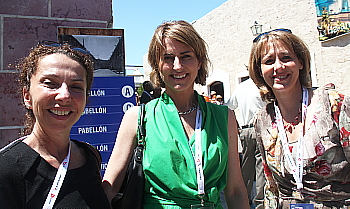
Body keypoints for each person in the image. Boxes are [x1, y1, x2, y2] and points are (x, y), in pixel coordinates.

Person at [103, 20, 249, 209]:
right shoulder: (138, 117)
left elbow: (235, 190)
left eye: (186, 56)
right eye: (168, 58)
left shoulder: (224, 117)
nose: (177, 66)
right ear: (158, 65)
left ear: (199, 62)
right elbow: (110, 187)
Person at [0, 43, 111, 208]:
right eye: (50, 83)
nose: (64, 96)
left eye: (76, 87)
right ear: (27, 96)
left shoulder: (90, 157)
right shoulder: (7, 169)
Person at [249, 28, 350, 208]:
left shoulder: (334, 104)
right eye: (269, 61)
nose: (278, 67)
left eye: (286, 58)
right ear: (260, 70)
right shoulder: (262, 120)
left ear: (301, 62)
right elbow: (271, 186)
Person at [225, 78, 266, 208]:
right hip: (260, 127)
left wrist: (235, 126)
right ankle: (260, 201)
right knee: (260, 165)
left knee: (246, 165)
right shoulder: (261, 86)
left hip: (244, 130)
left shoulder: (241, 87)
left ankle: (244, 198)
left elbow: (229, 107)